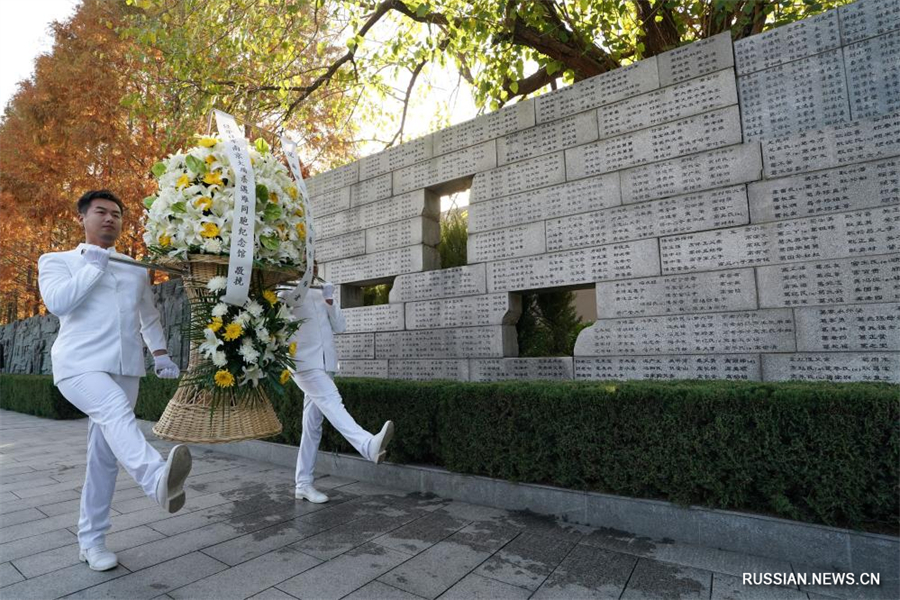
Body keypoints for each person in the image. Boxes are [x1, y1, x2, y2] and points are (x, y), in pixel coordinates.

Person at [37, 190, 192, 572]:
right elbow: (58, 303)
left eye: (117, 214)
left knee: (104, 459)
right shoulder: (57, 260)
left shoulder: (134, 267)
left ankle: (91, 541)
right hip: (78, 364)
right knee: (114, 411)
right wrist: (92, 266)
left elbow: (148, 316)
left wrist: (159, 354)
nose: (110, 219)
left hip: (125, 368)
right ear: (83, 218)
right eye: (101, 212)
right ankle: (156, 477)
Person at [283, 262, 394, 503]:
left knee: (312, 426)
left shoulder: (323, 290)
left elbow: (340, 327)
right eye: (305, 263)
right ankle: (367, 445)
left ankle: (303, 484)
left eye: (313, 263)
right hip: (303, 362)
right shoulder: (285, 290)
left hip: (326, 363)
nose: (311, 268)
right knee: (333, 402)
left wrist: (331, 303)